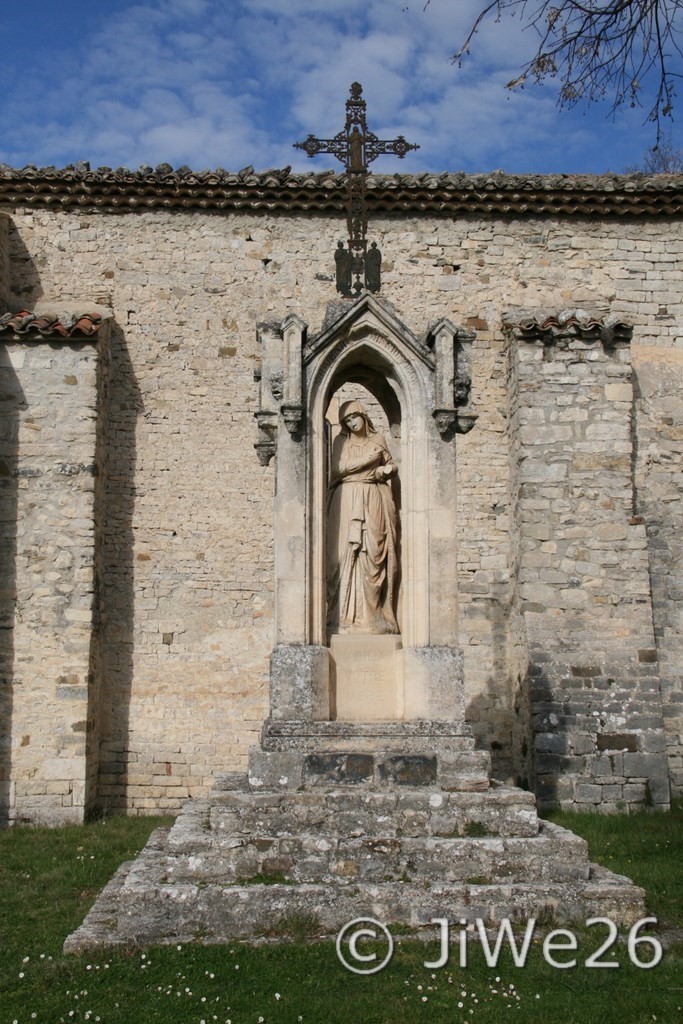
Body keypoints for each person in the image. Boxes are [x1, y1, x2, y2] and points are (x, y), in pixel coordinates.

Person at [326, 400, 399, 635]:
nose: (352, 422)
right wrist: (369, 461)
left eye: (355, 416)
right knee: (341, 555)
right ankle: (340, 617)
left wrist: (383, 470)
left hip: (373, 496)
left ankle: (374, 617)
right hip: (346, 496)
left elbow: (390, 466)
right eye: (347, 419)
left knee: (373, 554)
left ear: (364, 416)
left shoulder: (378, 441)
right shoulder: (341, 441)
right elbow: (338, 469)